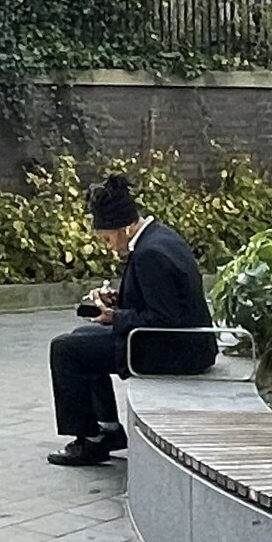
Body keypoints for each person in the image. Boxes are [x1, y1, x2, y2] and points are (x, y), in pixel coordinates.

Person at [47, 172, 216, 466]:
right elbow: (162, 301)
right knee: (78, 339)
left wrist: (115, 316)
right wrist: (119, 303)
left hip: (174, 351)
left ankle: (91, 440)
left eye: (109, 238)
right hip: (188, 343)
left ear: (124, 229)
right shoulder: (160, 237)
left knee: (66, 350)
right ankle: (107, 430)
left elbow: (164, 319)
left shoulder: (149, 254)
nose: (110, 246)